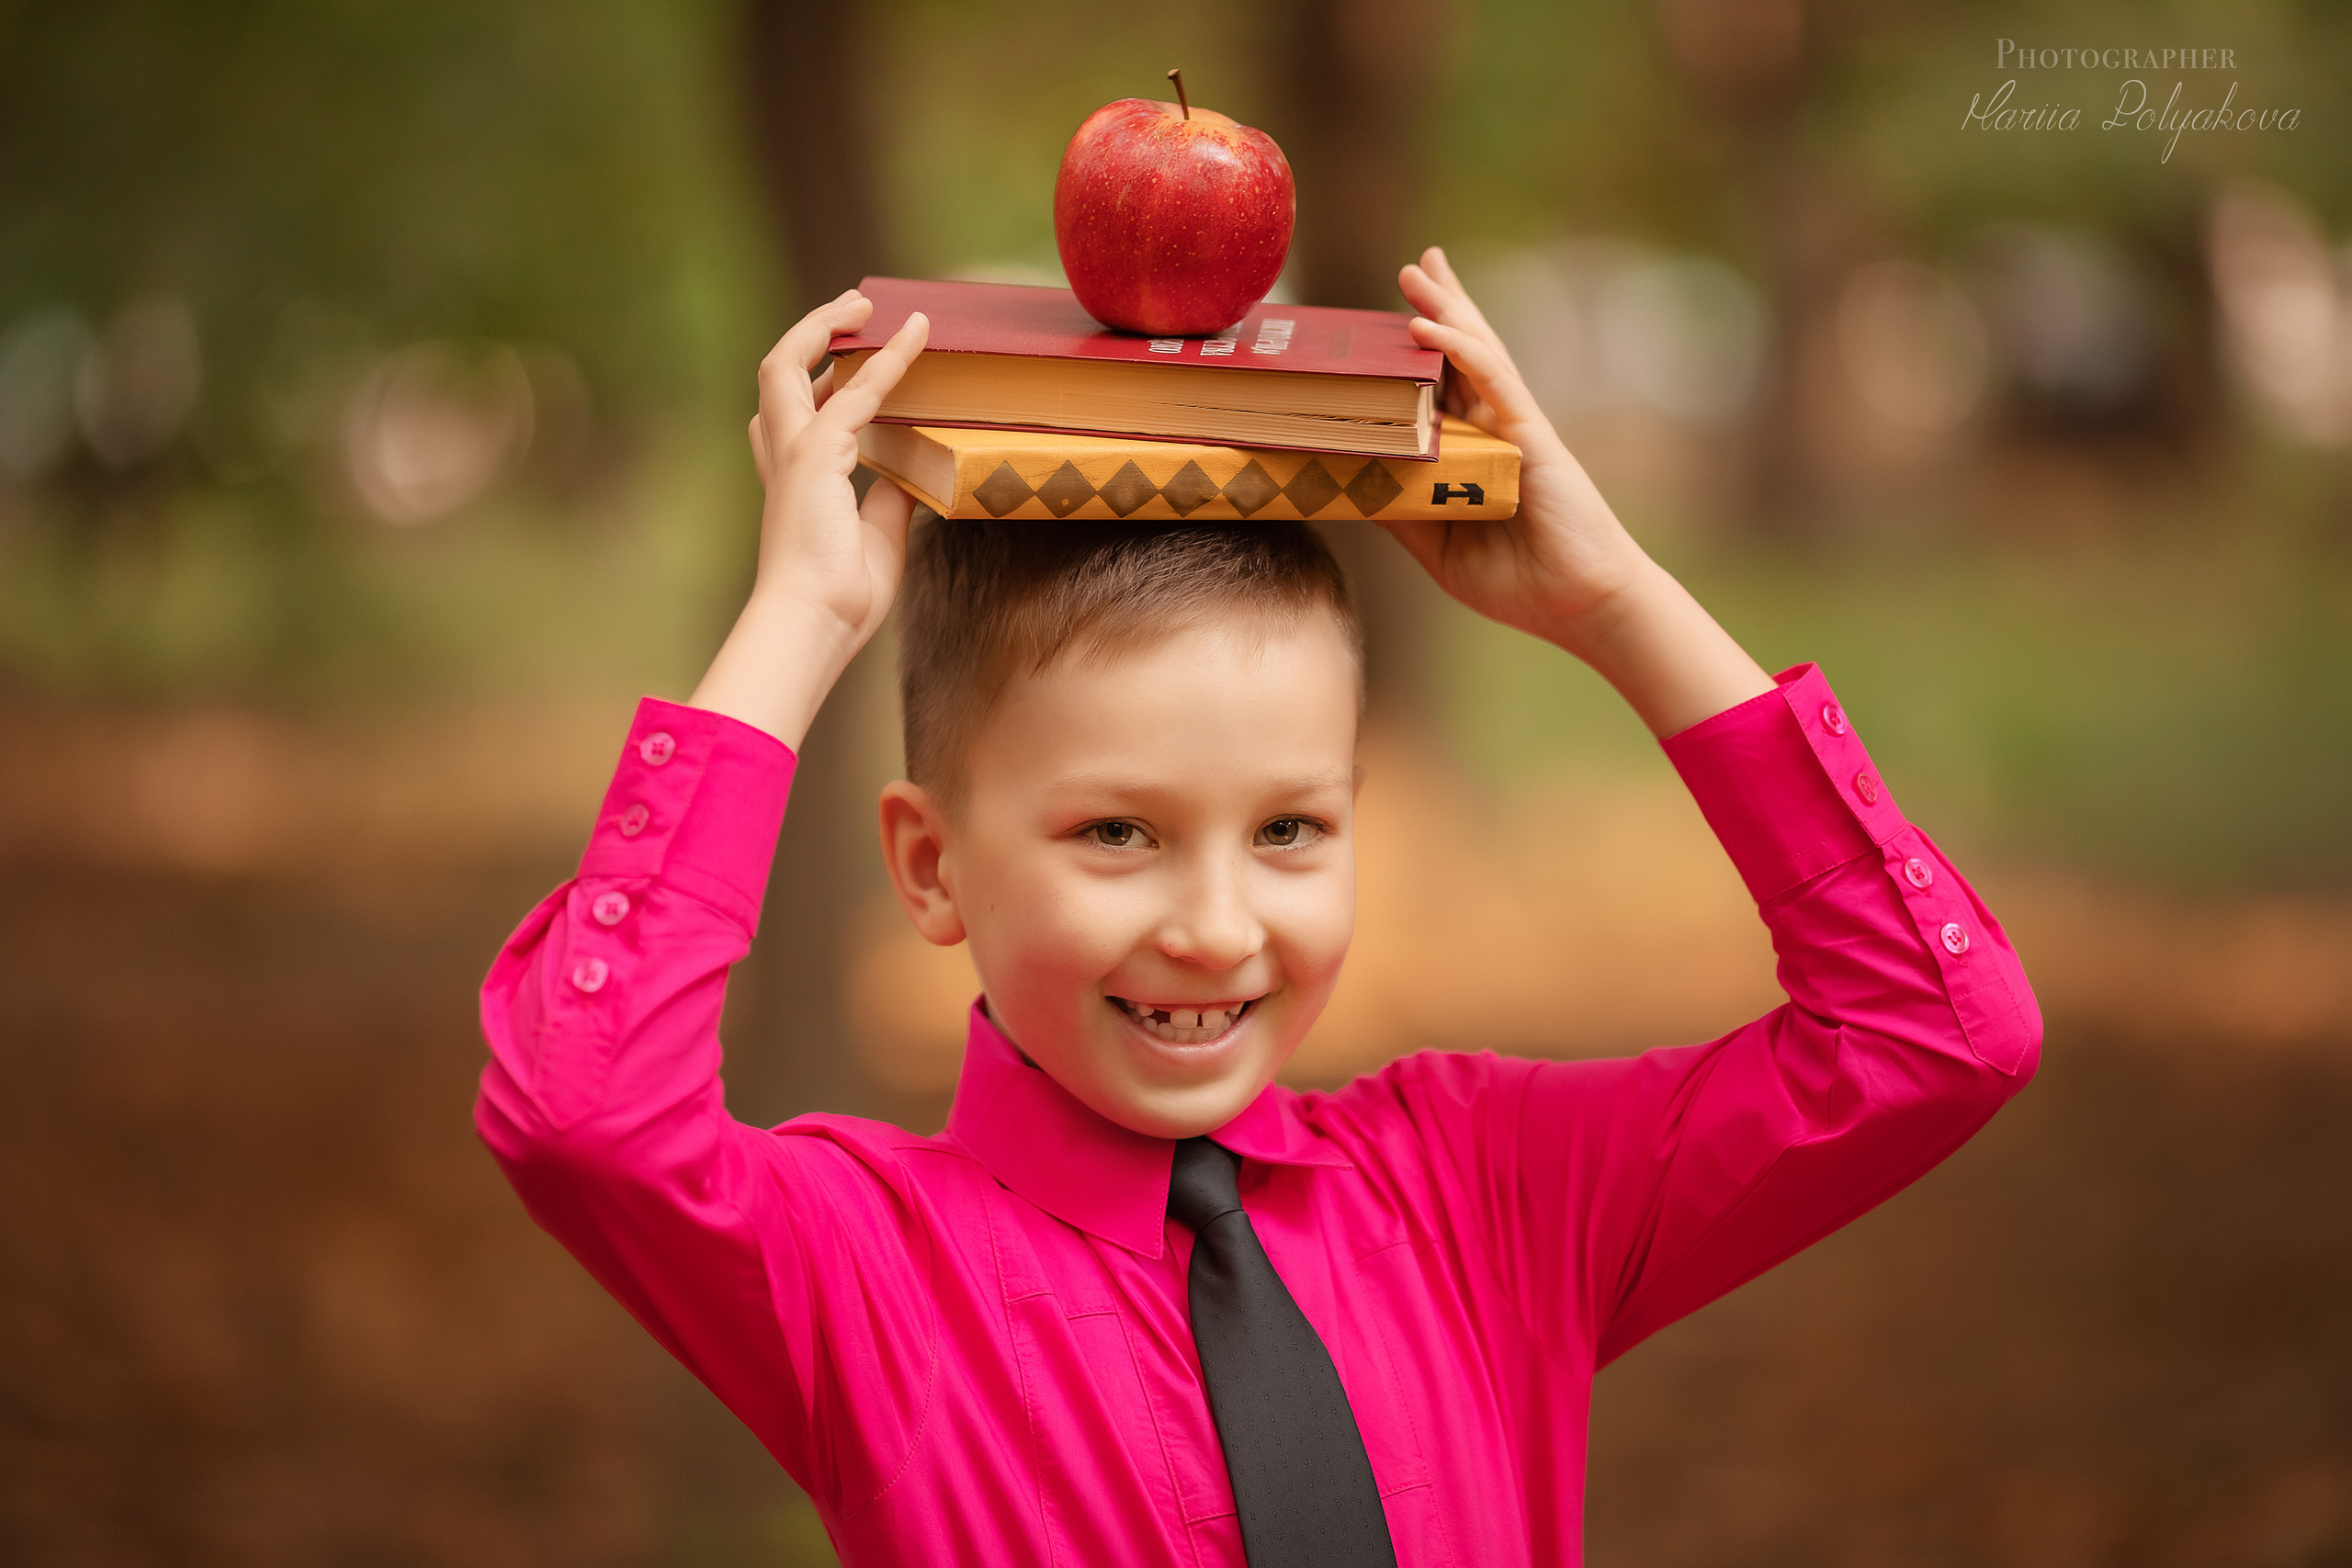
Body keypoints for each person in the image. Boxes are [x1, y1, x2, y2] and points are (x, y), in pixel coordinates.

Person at [476, 246, 2041, 1567]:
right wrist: (800, 619)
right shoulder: (868, 1273)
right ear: (930, 866)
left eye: (1289, 827)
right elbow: (582, 1115)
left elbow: (1938, 1032)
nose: (1219, 927)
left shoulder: (1485, 1192)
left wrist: (1616, 602)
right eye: (1117, 834)